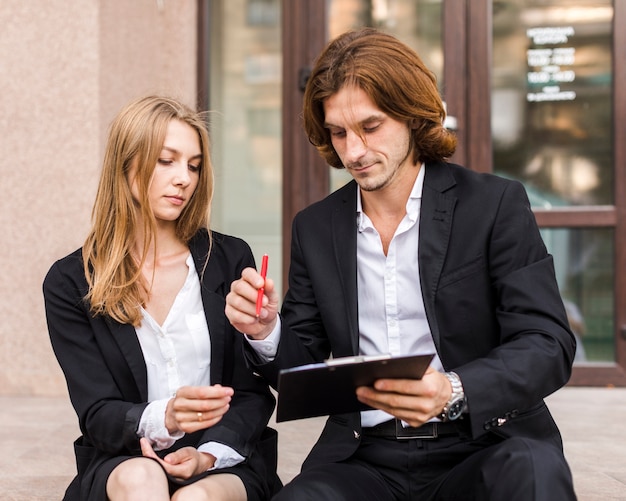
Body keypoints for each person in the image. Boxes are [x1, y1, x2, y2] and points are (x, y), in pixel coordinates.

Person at [225, 28, 577, 500]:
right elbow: (302, 374)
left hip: (481, 442)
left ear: (413, 116)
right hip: (365, 457)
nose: (353, 151)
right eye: (338, 132)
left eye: (370, 128)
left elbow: (547, 343)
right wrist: (267, 331)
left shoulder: (493, 204)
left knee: (534, 474)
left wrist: (452, 389)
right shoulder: (315, 227)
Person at [43, 95, 280, 501]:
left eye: (193, 165)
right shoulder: (70, 281)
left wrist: (206, 455)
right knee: (143, 482)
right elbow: (97, 412)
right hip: (125, 458)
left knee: (194, 498)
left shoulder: (228, 260)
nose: (184, 178)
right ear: (127, 164)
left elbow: (252, 394)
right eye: (166, 160)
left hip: (220, 458)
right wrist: (165, 417)